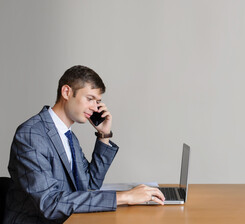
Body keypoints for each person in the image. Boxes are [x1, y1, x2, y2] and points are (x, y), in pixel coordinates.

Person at [3, 65, 165, 224]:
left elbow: (90, 184)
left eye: (98, 101)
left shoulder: (68, 136)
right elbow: (49, 203)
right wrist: (124, 197)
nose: (95, 108)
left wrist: (103, 134)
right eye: (90, 99)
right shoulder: (32, 135)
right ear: (66, 92)